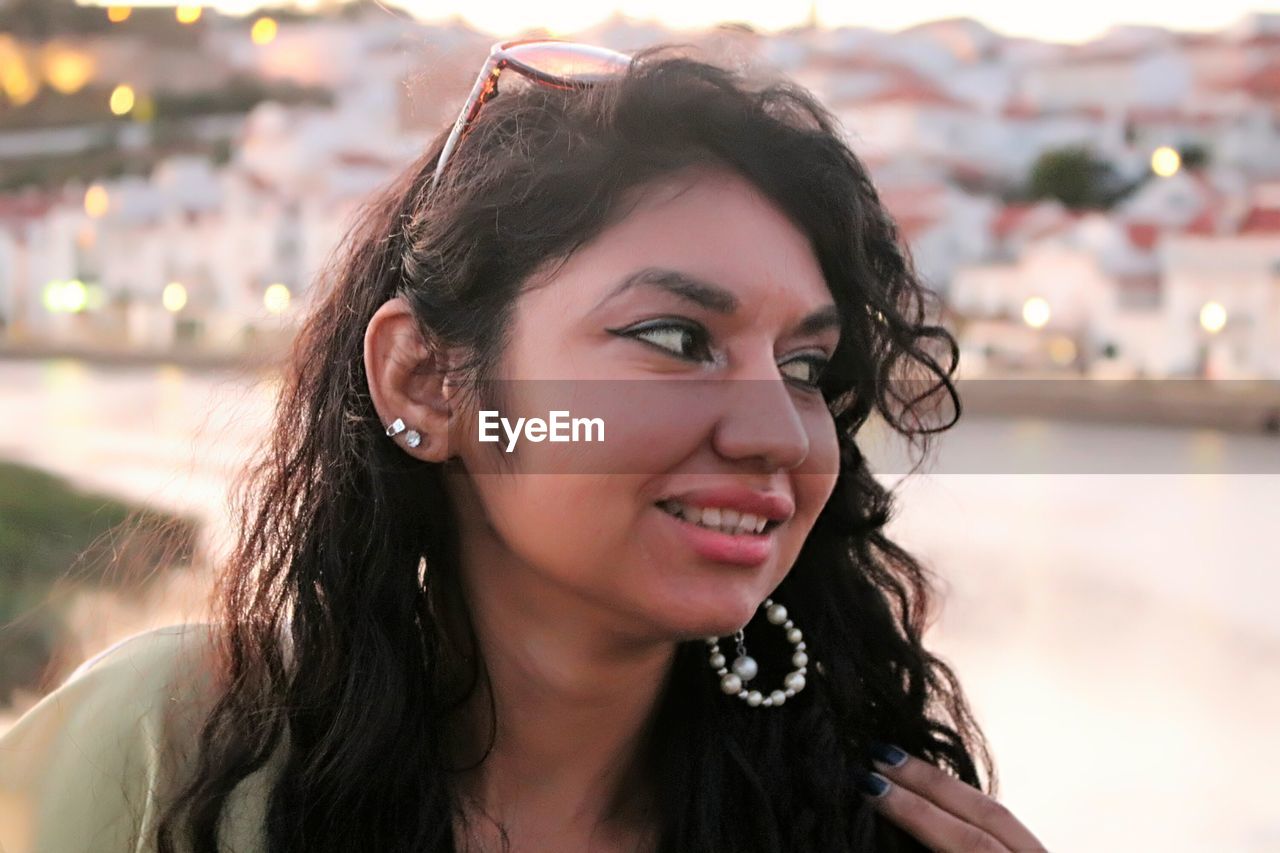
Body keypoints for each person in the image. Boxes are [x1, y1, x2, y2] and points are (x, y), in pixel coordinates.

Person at [0, 40, 1049, 853]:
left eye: (805, 367)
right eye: (675, 339)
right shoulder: (169, 750)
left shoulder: (862, 829)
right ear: (425, 380)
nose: (775, 433)